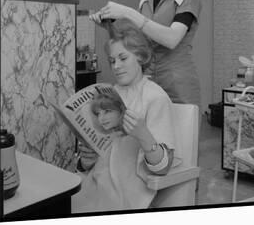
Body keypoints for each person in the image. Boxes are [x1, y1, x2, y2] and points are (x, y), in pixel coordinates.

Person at [71, 20, 179, 213]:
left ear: (140, 56)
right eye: (112, 61)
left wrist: (143, 134)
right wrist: (87, 158)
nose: (116, 66)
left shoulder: (155, 97)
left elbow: (163, 168)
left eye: (123, 58)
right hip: (95, 181)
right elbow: (100, 151)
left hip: (127, 191)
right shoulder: (109, 93)